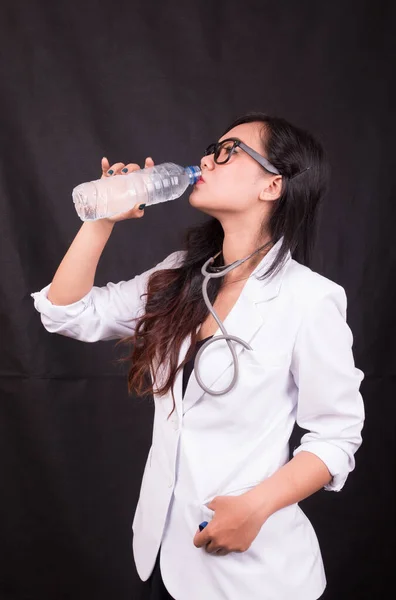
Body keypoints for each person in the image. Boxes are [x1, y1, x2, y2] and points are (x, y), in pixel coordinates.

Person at [31, 112, 365, 600]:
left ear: (272, 186)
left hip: (252, 574)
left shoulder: (310, 300)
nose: (207, 157)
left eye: (229, 151)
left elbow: (336, 435)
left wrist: (255, 508)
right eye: (213, 147)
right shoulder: (179, 276)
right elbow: (68, 313)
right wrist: (100, 218)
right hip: (162, 555)